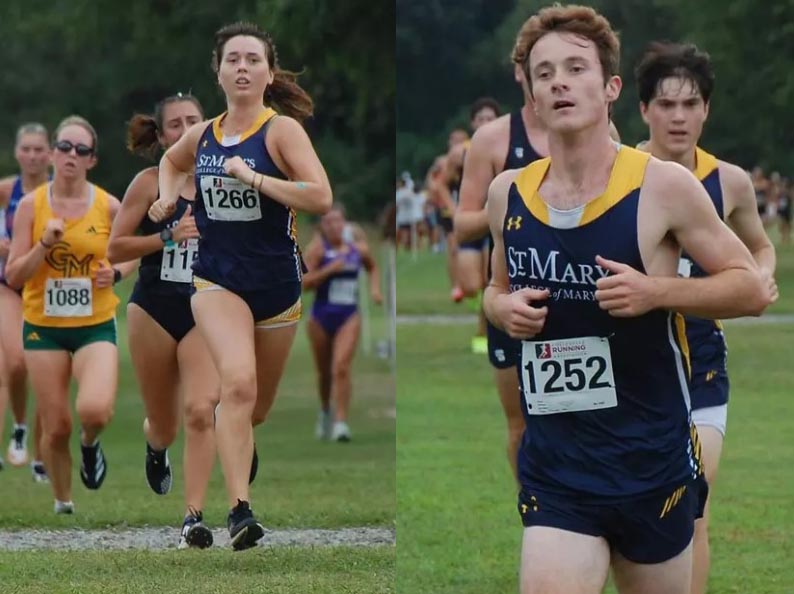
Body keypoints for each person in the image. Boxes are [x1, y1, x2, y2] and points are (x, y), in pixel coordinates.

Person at [482, 6, 774, 594]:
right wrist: (499, 310)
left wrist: (656, 292)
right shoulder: (506, 194)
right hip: (559, 467)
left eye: (575, 68)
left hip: (650, 461)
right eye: (544, 74)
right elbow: (495, 289)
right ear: (532, 99)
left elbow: (750, 287)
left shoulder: (662, 186)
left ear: (611, 88)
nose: (559, 81)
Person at [148, 21, 332, 550]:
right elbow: (169, 160)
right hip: (216, 281)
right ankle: (239, 512)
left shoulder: (281, 132)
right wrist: (168, 199)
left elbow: (320, 196)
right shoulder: (203, 134)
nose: (244, 67)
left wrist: (253, 178)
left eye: (254, 59)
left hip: (277, 288)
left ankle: (240, 440)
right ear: (219, 71)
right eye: (234, 59)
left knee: (255, 408)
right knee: (237, 385)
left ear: (269, 72)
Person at [634, 40, 776, 594]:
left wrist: (761, 274)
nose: (678, 117)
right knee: (638, 510)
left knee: (692, 501)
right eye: (666, 105)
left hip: (701, 365)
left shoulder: (730, 181)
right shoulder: (622, 171)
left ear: (706, 110)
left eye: (690, 104)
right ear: (643, 109)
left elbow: (760, 247)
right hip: (634, 363)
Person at [107, 93, 220, 549]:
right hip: (153, 307)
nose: (186, 129)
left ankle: (192, 518)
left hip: (206, 307)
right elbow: (116, 249)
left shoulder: (223, 179)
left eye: (194, 120)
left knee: (199, 410)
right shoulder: (148, 183)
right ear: (162, 135)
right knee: (164, 422)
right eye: (176, 124)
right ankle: (156, 448)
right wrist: (166, 237)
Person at [6, 115, 135, 514]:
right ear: (52, 155)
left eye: (81, 150)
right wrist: (43, 244)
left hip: (95, 325)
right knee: (56, 424)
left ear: (92, 160)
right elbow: (13, 274)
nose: (71, 156)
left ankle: (91, 444)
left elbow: (130, 255)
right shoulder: (31, 206)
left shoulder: (109, 205)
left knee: (95, 409)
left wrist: (114, 273)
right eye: (64, 147)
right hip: (43, 327)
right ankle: (63, 501)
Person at [455, 66, 549, 482]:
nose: (556, 80)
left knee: (587, 422)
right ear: (521, 71)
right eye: (543, 68)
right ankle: (533, 508)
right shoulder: (493, 139)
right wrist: (512, 206)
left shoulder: (603, 134)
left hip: (578, 296)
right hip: (511, 295)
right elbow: (462, 224)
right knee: (521, 425)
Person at [303, 205, 382, 442]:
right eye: (329, 222)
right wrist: (329, 270)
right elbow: (304, 283)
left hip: (349, 315)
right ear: (322, 227)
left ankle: (341, 423)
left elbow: (373, 266)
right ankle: (325, 410)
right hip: (320, 316)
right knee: (324, 372)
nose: (335, 226)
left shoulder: (356, 249)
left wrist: (375, 290)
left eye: (339, 221)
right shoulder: (317, 250)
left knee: (341, 367)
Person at [0, 123, 50, 481]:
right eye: (27, 149)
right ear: (17, 153)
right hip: (9, 285)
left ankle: (44, 454)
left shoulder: (59, 192)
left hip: (49, 288)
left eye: (39, 149)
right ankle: (19, 426)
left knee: (50, 371)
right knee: (16, 362)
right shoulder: (6, 191)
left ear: (50, 153)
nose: (32, 155)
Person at [446, 98, 501, 354]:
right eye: (480, 119)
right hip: (470, 220)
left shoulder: (504, 146)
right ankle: (478, 308)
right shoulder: (460, 152)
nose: (485, 123)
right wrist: (451, 206)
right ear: (472, 122)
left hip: (494, 222)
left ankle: (483, 330)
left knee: (491, 281)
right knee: (472, 286)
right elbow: (437, 184)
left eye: (490, 119)